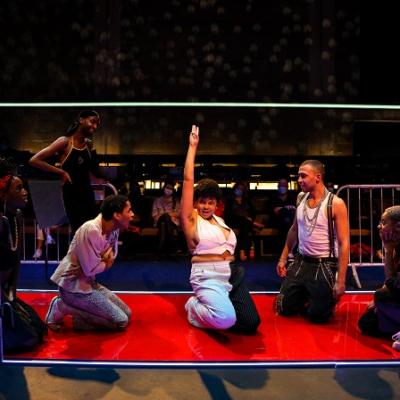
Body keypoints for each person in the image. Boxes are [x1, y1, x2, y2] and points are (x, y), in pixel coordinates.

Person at [180, 125, 260, 333]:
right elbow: (188, 180)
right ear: (197, 203)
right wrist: (192, 147)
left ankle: (219, 304)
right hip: (207, 276)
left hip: (232, 275)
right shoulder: (191, 220)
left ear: (217, 205)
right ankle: (193, 306)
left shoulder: (220, 220)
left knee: (250, 324)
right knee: (225, 320)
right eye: (202, 202)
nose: (206, 206)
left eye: (211, 202)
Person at [44, 194, 134, 331]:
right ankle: (63, 306)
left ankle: (80, 319)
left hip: (89, 283)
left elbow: (105, 256)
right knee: (121, 321)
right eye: (129, 211)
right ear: (116, 215)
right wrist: (106, 264)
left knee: (127, 313)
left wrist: (96, 263)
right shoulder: (91, 229)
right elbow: (92, 268)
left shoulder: (114, 231)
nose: (132, 215)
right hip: (73, 288)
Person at [276, 160, 350, 323]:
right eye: (298, 176)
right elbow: (294, 229)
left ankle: (319, 296)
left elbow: (344, 243)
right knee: (283, 308)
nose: (299, 180)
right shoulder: (301, 197)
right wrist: (283, 258)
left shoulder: (336, 204)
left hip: (324, 264)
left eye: (303, 176)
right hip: (301, 260)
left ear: (317, 177)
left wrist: (341, 281)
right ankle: (308, 292)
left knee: (318, 316)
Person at [29, 110, 104, 232]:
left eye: (97, 124)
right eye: (92, 122)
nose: (95, 127)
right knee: (79, 233)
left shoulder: (89, 144)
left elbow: (95, 170)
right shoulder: (65, 141)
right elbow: (34, 160)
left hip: (88, 194)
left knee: (91, 233)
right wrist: (61, 172)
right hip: (72, 195)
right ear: (81, 120)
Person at [0, 157, 47, 353]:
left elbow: (15, 265)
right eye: (18, 188)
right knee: (25, 340)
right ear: (3, 195)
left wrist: (12, 299)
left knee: (38, 330)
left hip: (4, 292)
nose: (25, 192)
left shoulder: (16, 217)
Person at [358, 205, 400, 343]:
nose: (379, 226)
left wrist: (387, 251)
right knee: (367, 323)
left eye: (383, 222)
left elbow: (393, 285)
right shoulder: (396, 244)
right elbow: (392, 280)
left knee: (382, 296)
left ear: (398, 226)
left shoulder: (392, 246)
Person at [224, 181, 264, 262]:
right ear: (234, 189)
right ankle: (253, 225)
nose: (239, 190)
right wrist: (246, 218)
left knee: (244, 225)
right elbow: (228, 213)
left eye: (241, 189)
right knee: (245, 221)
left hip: (245, 223)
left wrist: (248, 218)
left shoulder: (247, 201)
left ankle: (241, 251)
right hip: (232, 221)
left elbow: (253, 213)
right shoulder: (230, 200)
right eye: (238, 188)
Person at [151, 180, 183, 258]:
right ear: (164, 188)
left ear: (173, 190)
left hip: (173, 222)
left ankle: (158, 251)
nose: (168, 190)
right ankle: (174, 245)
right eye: (167, 188)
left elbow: (178, 213)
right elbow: (154, 214)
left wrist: (167, 215)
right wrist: (164, 215)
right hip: (159, 221)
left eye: (171, 188)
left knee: (164, 225)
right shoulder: (157, 200)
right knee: (164, 219)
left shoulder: (176, 201)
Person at [266, 178, 297, 249]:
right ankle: (287, 249)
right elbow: (271, 211)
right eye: (281, 185)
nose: (282, 187)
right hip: (276, 221)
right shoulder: (272, 198)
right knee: (285, 220)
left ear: (287, 187)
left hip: (290, 221)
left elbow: (295, 209)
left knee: (288, 219)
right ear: (278, 186)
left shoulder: (292, 198)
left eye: (284, 185)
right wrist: (281, 209)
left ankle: (288, 249)